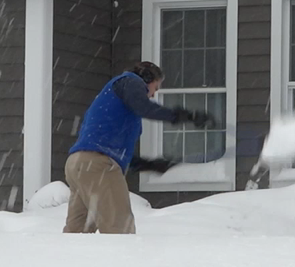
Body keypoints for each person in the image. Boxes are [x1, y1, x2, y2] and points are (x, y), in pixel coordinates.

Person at [64, 61, 211, 234]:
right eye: (155, 88)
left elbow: (111, 148)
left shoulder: (113, 101)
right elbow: (145, 108)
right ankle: (124, 261)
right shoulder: (130, 81)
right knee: (120, 230)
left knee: (77, 234)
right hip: (97, 167)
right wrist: (184, 116)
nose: (153, 95)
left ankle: (66, 261)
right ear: (147, 78)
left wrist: (149, 164)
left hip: (78, 165)